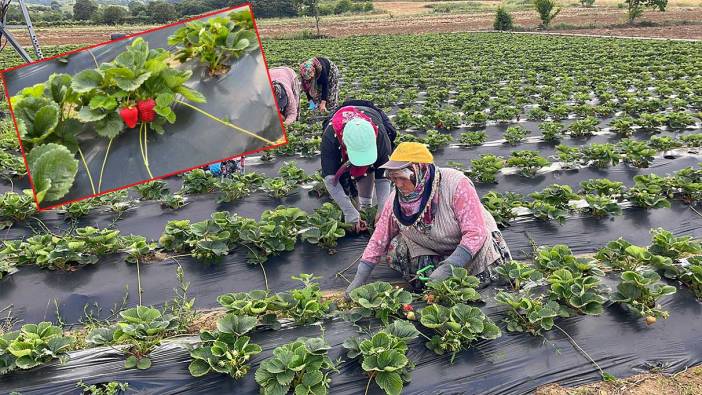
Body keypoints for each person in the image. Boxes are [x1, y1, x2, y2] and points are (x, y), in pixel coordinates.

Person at [345, 142, 512, 295]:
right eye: (394, 178)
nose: (399, 184)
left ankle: (450, 267)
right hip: (432, 246)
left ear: (421, 170)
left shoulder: (456, 184)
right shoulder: (396, 200)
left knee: (470, 283)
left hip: (471, 247)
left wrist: (449, 266)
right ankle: (438, 270)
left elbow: (475, 233)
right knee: (397, 247)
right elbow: (379, 239)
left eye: (402, 178)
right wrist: (359, 279)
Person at [321, 102, 396, 232]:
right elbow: (330, 179)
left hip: (372, 112)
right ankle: (355, 207)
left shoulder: (381, 136)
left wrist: (383, 209)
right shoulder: (330, 138)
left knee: (371, 167)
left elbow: (383, 176)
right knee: (343, 179)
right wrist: (349, 212)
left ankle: (366, 207)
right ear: (344, 143)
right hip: (340, 114)